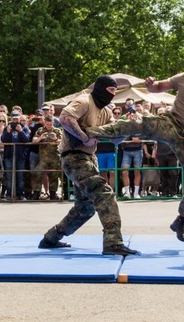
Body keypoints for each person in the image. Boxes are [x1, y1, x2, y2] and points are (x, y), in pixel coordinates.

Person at [86, 52, 184, 243]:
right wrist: (152, 85)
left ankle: (182, 220)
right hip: (171, 122)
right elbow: (159, 87)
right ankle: (93, 132)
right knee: (138, 124)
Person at [38, 75, 137, 256]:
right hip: (74, 157)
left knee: (85, 208)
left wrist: (130, 128)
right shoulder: (84, 100)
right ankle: (113, 243)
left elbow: (115, 138)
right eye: (109, 91)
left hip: (89, 158)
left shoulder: (106, 111)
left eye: (115, 92)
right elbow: (65, 118)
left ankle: (51, 238)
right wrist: (84, 137)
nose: (112, 95)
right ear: (100, 88)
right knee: (104, 194)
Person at [32, 114, 63, 200]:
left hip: (54, 157)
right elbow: (34, 140)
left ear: (53, 123)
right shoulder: (41, 130)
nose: (49, 126)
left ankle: (53, 193)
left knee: (54, 175)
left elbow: (62, 141)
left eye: (50, 124)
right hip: (43, 158)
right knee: (38, 173)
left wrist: (55, 139)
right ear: (44, 123)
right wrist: (40, 138)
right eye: (47, 124)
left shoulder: (57, 131)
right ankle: (36, 192)